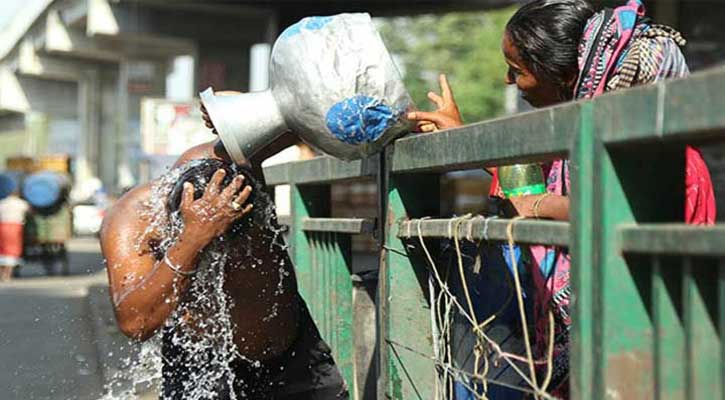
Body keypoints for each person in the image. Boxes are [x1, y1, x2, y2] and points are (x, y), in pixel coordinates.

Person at [407, 0, 716, 397]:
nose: (508, 81)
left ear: (567, 74)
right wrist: (460, 134)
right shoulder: (581, 151)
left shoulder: (661, 156)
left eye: (517, 71)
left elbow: (612, 210)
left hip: (650, 366)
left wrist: (541, 207)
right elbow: (536, 188)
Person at [101, 125, 349, 398]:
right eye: (214, 247)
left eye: (236, 242)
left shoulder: (235, 156)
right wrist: (193, 240)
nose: (226, 255)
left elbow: (305, 117)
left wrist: (229, 109)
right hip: (200, 362)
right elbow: (134, 323)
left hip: (290, 357)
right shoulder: (133, 219)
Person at [0, 188, 30, 282]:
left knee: (2, 250)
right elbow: (30, 211)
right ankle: (7, 275)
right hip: (15, 227)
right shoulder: (20, 203)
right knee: (12, 250)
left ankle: (2, 274)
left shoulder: (2, 203)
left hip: (2, 227)